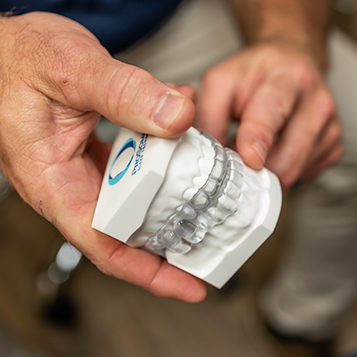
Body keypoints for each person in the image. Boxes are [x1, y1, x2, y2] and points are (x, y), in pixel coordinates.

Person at [0, 0, 342, 304]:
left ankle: (301, 316)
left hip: (168, 19)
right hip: (13, 43)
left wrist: (287, 38)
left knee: (343, 116)